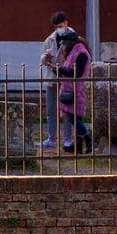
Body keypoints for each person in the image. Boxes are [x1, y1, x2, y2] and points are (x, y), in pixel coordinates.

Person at [54, 27, 93, 154]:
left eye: (65, 43)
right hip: (70, 88)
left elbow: (78, 72)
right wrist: (58, 70)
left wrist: (62, 70)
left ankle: (88, 138)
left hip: (76, 90)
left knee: (73, 118)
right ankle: (80, 147)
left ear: (72, 42)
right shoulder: (73, 52)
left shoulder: (81, 53)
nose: (64, 46)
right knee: (75, 118)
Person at [37, 12, 71, 149]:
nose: (59, 29)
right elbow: (42, 57)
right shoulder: (49, 40)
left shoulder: (73, 38)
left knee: (67, 110)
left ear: (66, 23)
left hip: (66, 78)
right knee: (51, 109)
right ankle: (51, 138)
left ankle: (68, 139)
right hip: (52, 77)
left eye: (61, 26)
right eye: (57, 27)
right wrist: (46, 58)